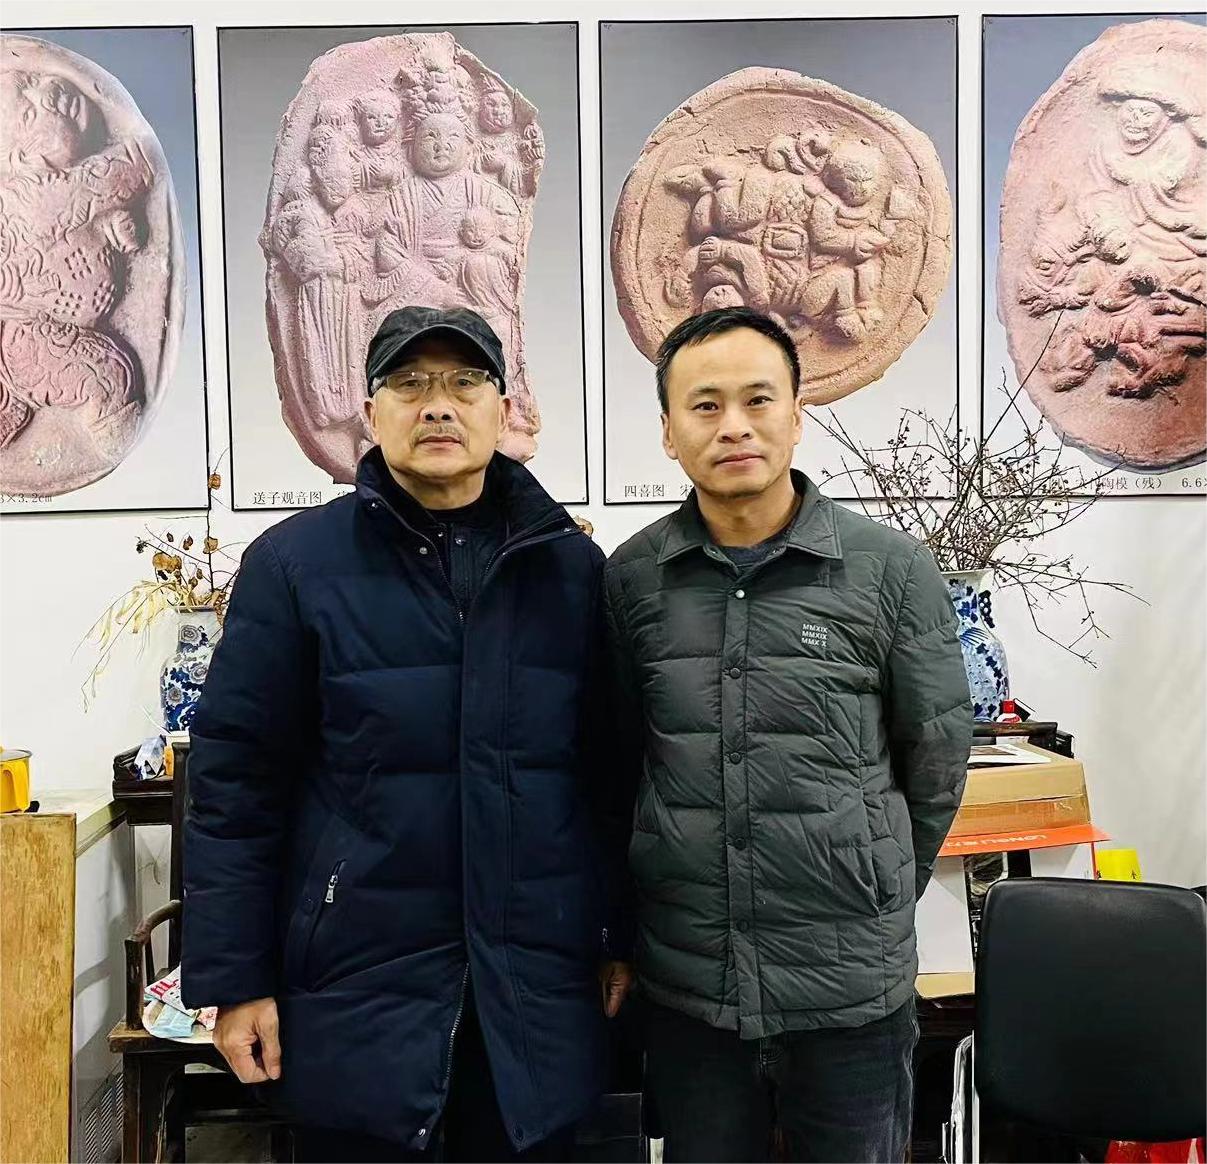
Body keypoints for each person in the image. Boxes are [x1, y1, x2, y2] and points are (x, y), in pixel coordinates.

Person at [182, 306, 634, 1161]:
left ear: (504, 409)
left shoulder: (569, 569)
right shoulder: (295, 566)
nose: (437, 405)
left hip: (533, 986)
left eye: (464, 382)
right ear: (371, 411)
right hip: (357, 980)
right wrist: (236, 979)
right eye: (409, 383)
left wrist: (617, 934)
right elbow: (235, 786)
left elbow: (608, 777)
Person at [603, 306, 972, 1163]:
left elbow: (934, 756)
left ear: (797, 416)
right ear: (668, 432)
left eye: (757, 399)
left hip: (850, 988)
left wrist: (876, 878)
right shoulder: (632, 580)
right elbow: (620, 763)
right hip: (693, 985)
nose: (733, 425)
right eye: (704, 405)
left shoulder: (889, 570)